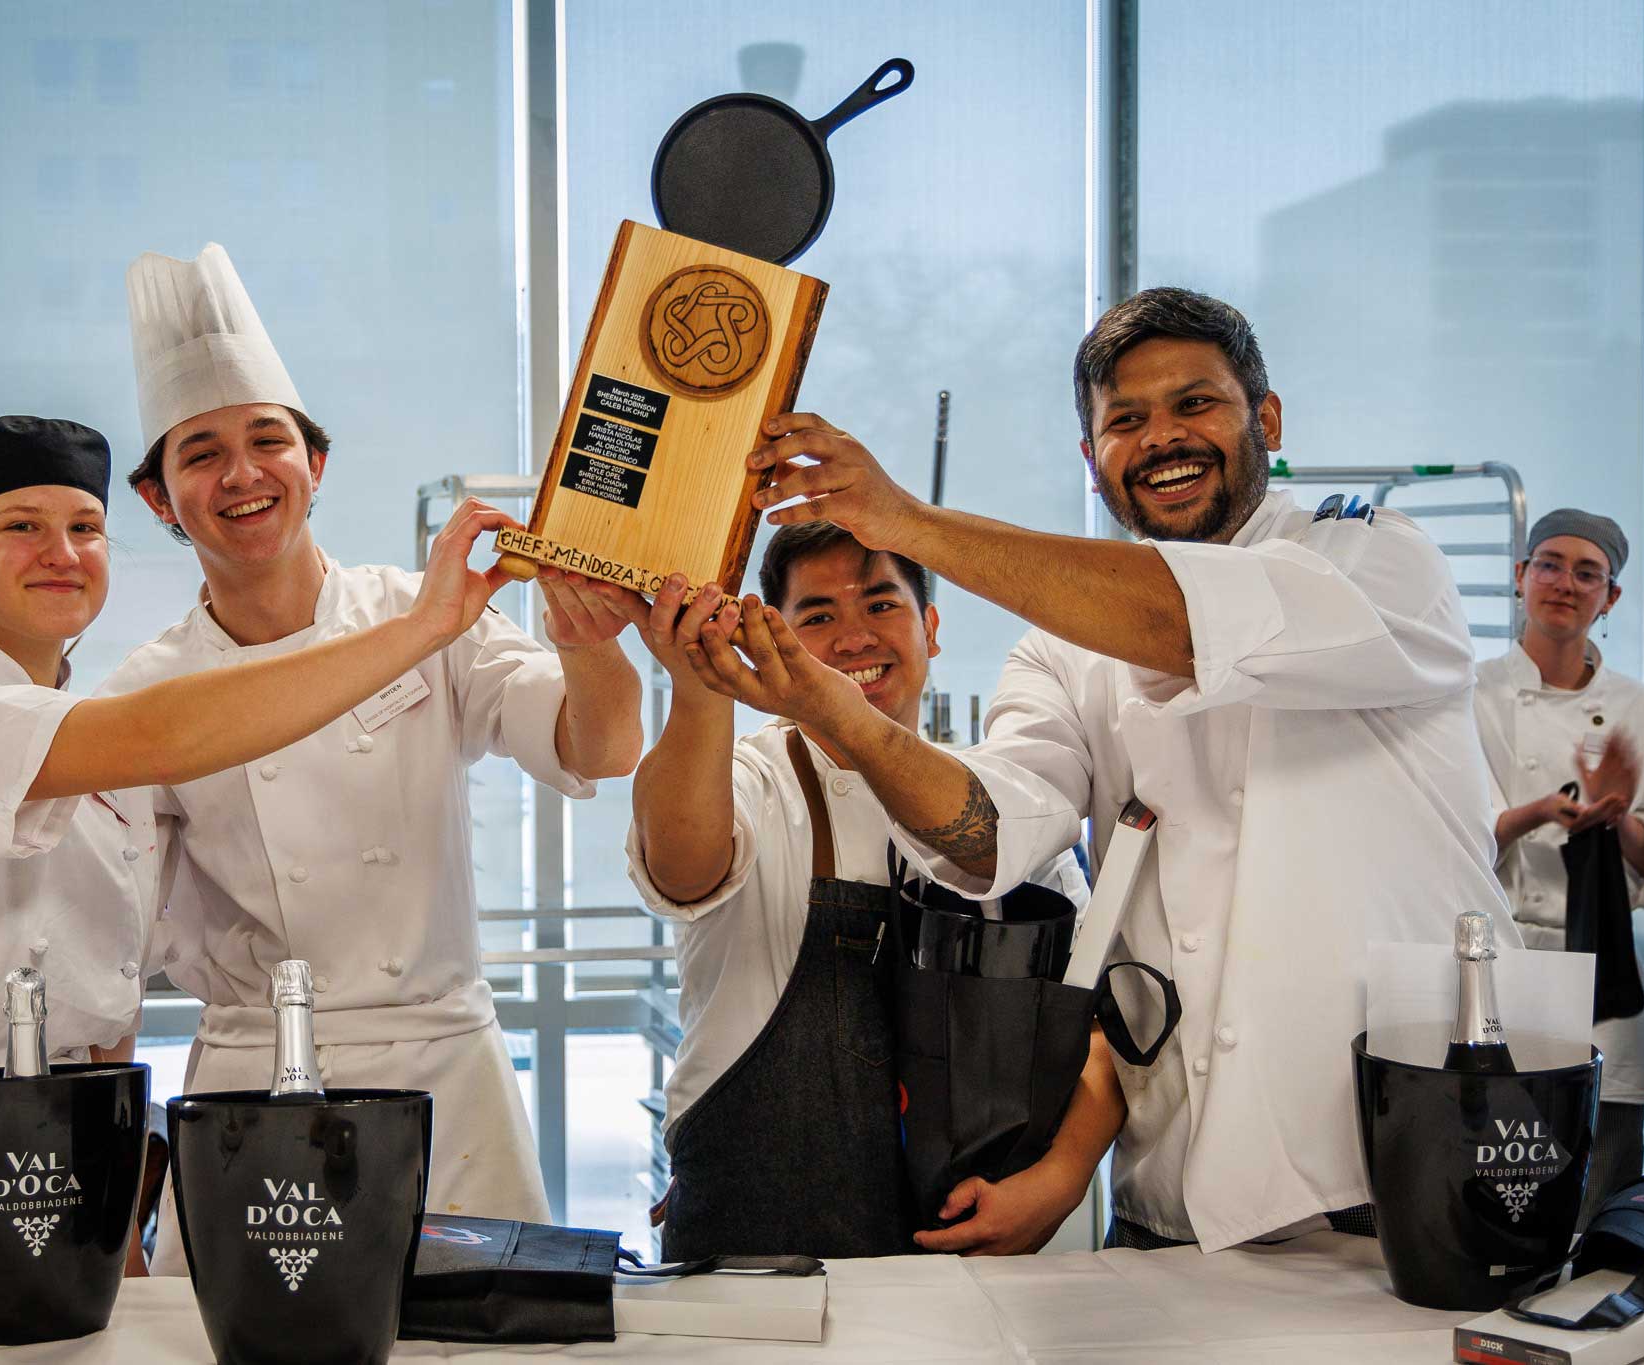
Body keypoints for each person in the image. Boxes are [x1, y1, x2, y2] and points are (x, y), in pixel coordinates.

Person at [716, 286, 1519, 1251]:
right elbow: (991, 828)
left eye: (1196, 404)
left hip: (1397, 1186)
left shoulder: (1377, 558)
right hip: (1174, 1209)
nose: (1162, 438)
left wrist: (909, 523)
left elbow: (1188, 619)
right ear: (1092, 462)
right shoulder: (1060, 654)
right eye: (1124, 421)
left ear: (1265, 418)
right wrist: (835, 714)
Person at [0, 415, 514, 1288]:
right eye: (21, 526)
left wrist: (121, 1220)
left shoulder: (117, 760)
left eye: (84, 528)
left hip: (66, 1157)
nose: (62, 553)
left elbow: (111, 1001)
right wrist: (421, 630)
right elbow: (157, 730)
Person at [101, 244, 645, 1270]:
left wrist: (590, 641)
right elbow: (103, 952)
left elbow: (599, 748)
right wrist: (115, 1210)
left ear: (316, 465)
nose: (242, 473)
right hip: (252, 1089)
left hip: (447, 1078)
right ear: (159, 501)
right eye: (200, 452)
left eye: (268, 440)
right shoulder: (145, 694)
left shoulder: (422, 614)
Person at [628, 520, 1112, 1259]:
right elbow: (683, 866)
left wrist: (1064, 1175)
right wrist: (697, 690)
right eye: (818, 616)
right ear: (770, 637)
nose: (854, 639)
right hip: (758, 1243)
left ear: (932, 628)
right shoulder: (751, 778)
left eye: (881, 605)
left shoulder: (999, 812)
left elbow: (1092, 1022)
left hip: (963, 1240)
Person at [1476, 508, 1644, 1221]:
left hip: (1604, 967)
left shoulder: (1640, 708)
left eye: (1589, 573)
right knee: (1495, 1175)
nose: (1565, 583)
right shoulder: (1469, 694)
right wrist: (1542, 810)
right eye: (1549, 563)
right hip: (1501, 959)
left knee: (1604, 1184)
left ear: (1610, 598)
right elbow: (1451, 837)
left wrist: (1622, 820)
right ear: (1520, 577)